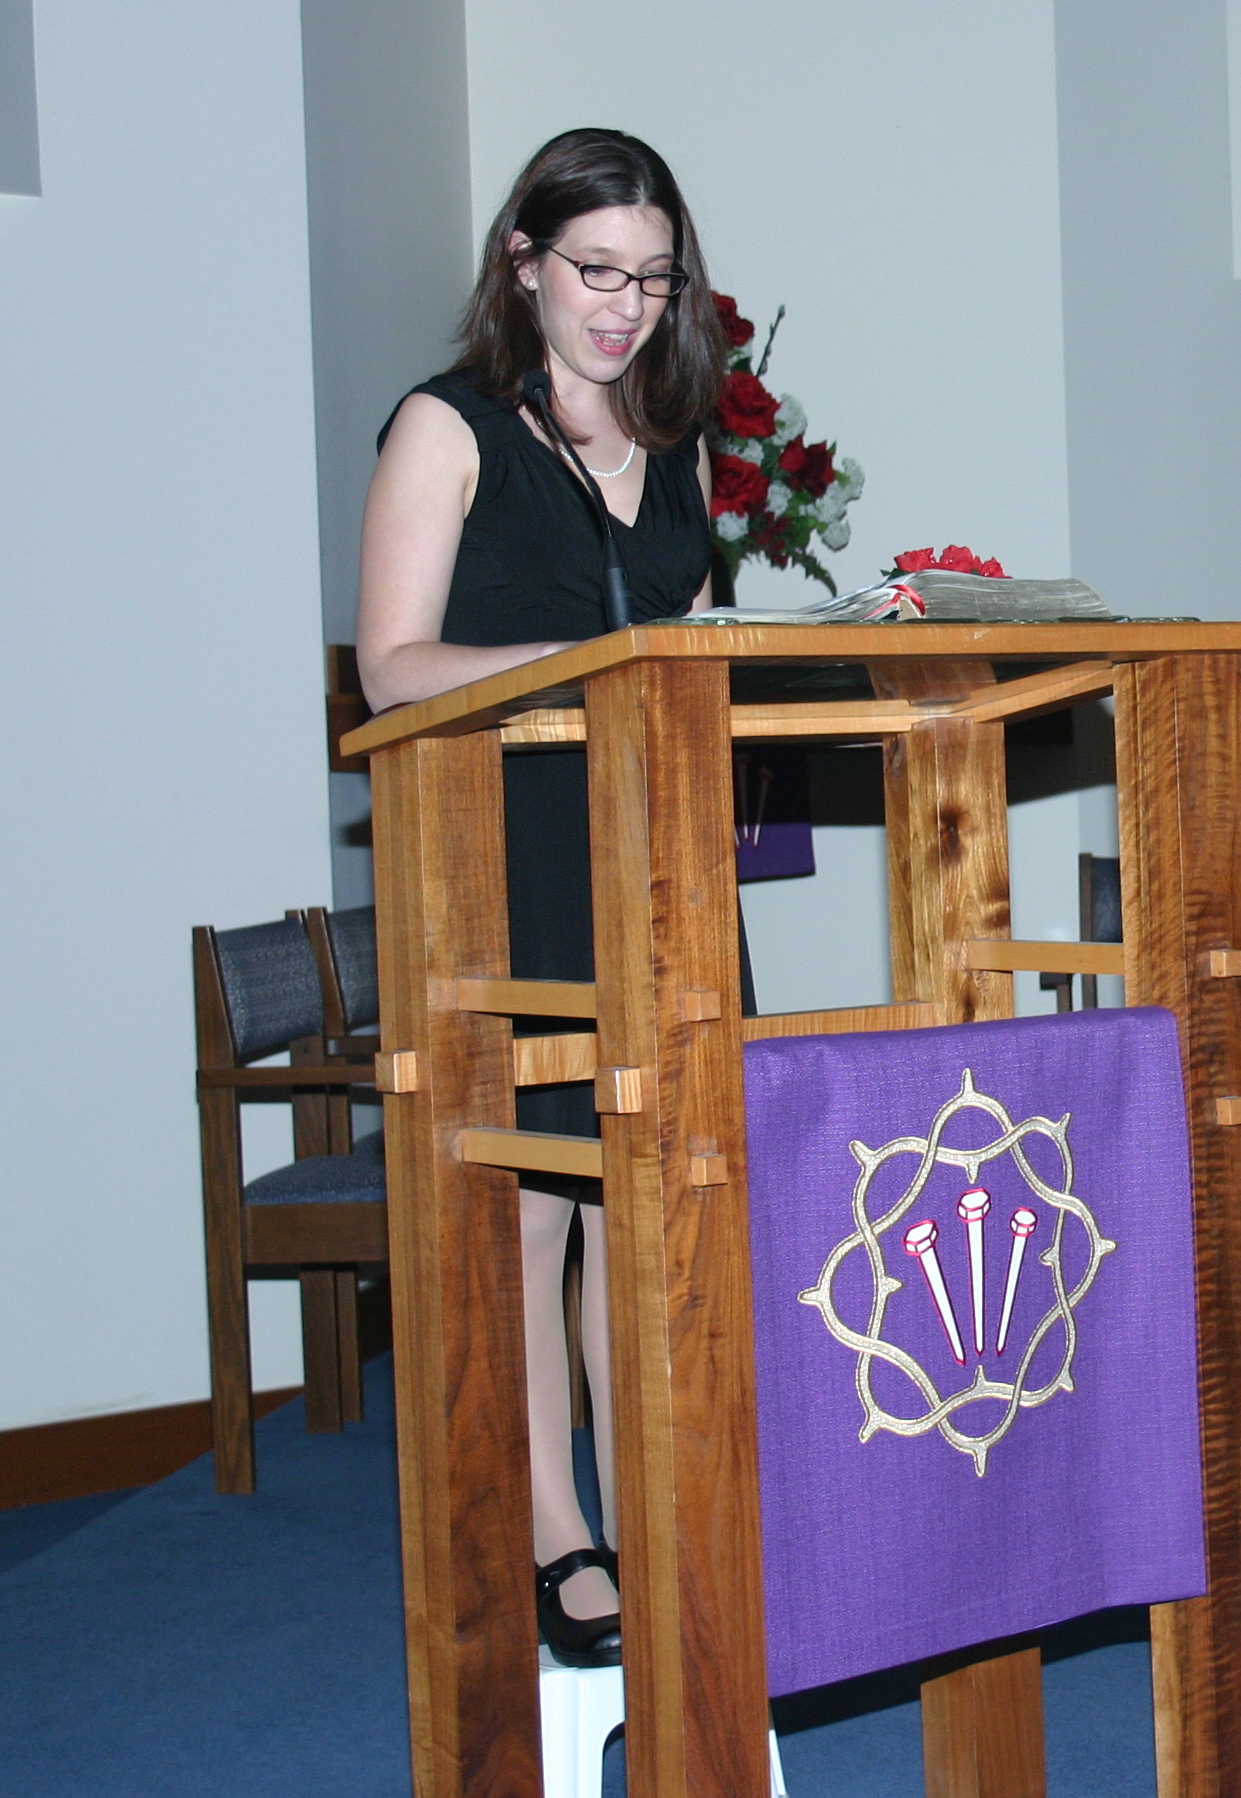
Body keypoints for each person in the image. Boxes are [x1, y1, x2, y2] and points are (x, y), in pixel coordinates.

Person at [356, 128, 724, 1666]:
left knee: (642, 1193)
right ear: (523, 263)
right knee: (530, 1203)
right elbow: (391, 668)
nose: (626, 305)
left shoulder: (673, 440)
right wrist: (592, 663)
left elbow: (690, 645)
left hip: (654, 851)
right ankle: (552, 1530)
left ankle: (651, 1508)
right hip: (503, 855)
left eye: (654, 277)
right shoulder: (447, 427)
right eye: (597, 272)